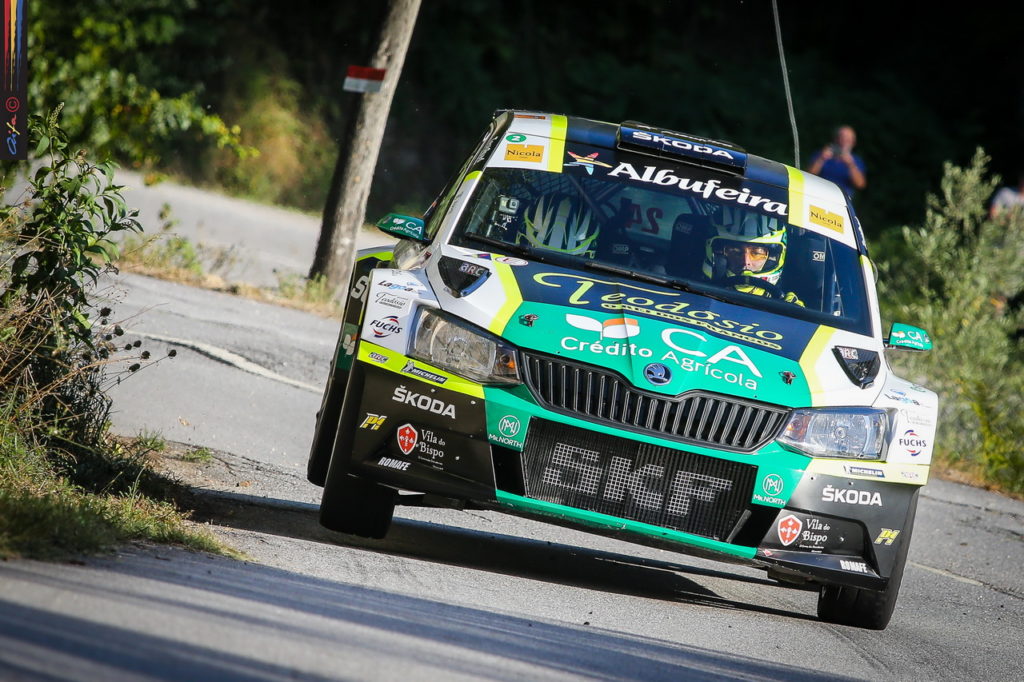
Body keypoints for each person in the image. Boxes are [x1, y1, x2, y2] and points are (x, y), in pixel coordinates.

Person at [702, 212, 803, 306]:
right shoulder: (691, 289)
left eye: (757, 253)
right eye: (735, 251)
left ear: (773, 257)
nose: (746, 263)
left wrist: (791, 311)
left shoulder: (789, 307)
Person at [807, 125, 867, 199]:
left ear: (853, 142)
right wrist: (821, 159)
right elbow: (808, 175)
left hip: (841, 200)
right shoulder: (821, 154)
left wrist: (850, 165)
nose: (844, 141)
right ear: (835, 139)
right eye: (841, 137)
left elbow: (860, 184)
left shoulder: (856, 160)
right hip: (817, 195)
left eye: (848, 139)